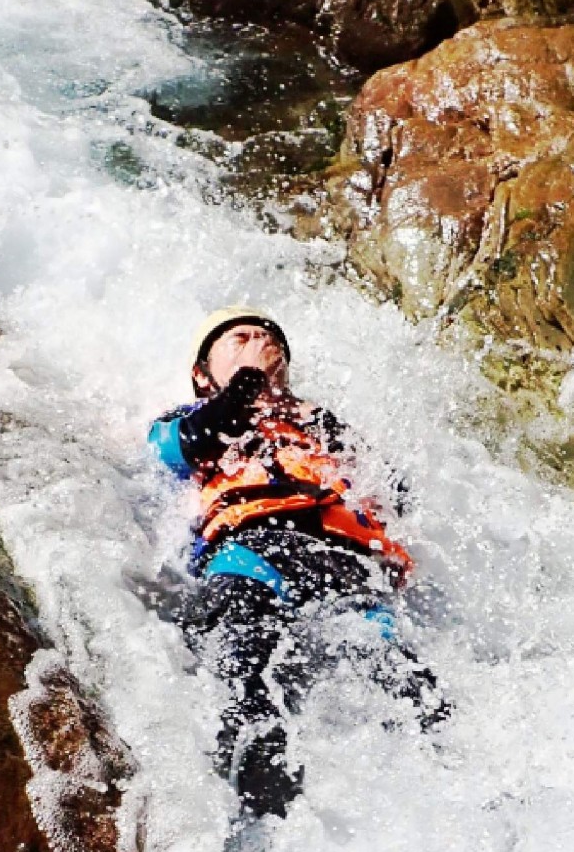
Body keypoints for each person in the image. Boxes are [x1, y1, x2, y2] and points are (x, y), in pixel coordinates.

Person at [150, 308, 446, 819]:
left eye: (267, 340)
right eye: (240, 338)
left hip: (345, 563)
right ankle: (256, 822)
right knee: (245, 672)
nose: (260, 343)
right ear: (202, 373)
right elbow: (182, 450)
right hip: (251, 551)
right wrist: (245, 385)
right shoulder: (184, 420)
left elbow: (393, 492)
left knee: (404, 683)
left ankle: (452, 796)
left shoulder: (323, 424)